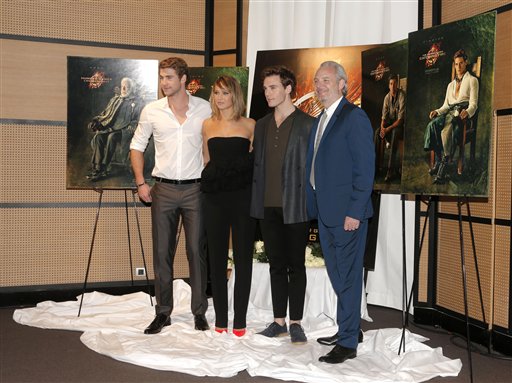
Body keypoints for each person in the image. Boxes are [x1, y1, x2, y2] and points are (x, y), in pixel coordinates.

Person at [130, 57, 211, 334]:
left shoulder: (205, 108)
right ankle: (163, 312)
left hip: (196, 189)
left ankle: (199, 312)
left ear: (184, 79)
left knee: (196, 252)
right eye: (162, 78)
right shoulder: (152, 110)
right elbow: (137, 146)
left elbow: (212, 147)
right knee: (162, 252)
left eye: (169, 78)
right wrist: (141, 183)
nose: (164, 83)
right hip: (162, 189)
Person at [306, 61, 374, 363]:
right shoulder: (321, 118)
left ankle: (347, 342)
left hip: (347, 215)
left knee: (346, 277)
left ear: (342, 84)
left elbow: (365, 170)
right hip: (325, 212)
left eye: (327, 80)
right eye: (317, 81)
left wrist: (354, 212)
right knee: (337, 275)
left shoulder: (354, 117)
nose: (320, 86)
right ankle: (350, 327)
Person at [251, 66, 314, 344]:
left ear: (288, 88)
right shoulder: (261, 124)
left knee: (295, 265)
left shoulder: (308, 124)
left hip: (295, 205)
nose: (268, 93)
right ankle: (279, 322)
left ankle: (296, 322)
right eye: (265, 88)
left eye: (273, 87)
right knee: (275, 264)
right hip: (267, 206)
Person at [201, 76, 256, 337]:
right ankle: (221, 318)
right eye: (216, 93)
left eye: (224, 93)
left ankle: (241, 321)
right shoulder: (207, 125)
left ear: (235, 95)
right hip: (214, 197)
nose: (220, 98)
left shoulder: (250, 125)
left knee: (244, 258)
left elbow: (254, 163)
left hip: (243, 196)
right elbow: (206, 160)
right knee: (217, 257)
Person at [424, 49, 479, 183]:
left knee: (448, 128)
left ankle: (443, 167)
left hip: (462, 117)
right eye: (456, 64)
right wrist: (437, 111)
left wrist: (468, 112)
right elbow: (445, 106)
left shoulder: (472, 80)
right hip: (449, 114)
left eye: (461, 63)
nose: (458, 67)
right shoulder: (450, 85)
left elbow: (474, 104)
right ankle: (438, 161)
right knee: (432, 125)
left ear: (465, 63)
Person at [87, 77, 143, 181]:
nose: (124, 89)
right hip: (111, 128)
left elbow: (138, 120)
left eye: (127, 87)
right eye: (123, 86)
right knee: (99, 136)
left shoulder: (137, 103)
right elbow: (105, 113)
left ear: (132, 88)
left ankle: (104, 167)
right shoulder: (115, 100)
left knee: (111, 137)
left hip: (124, 130)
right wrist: (96, 120)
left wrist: (131, 127)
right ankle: (97, 168)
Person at [374, 74, 405, 182]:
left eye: (395, 83)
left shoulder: (402, 95)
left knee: (395, 132)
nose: (393, 86)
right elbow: (384, 116)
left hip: (400, 126)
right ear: (389, 85)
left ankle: (390, 170)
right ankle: (376, 167)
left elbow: (400, 120)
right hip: (390, 125)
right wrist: (383, 128)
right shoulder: (386, 97)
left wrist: (388, 129)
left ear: (397, 84)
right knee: (378, 132)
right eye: (391, 84)